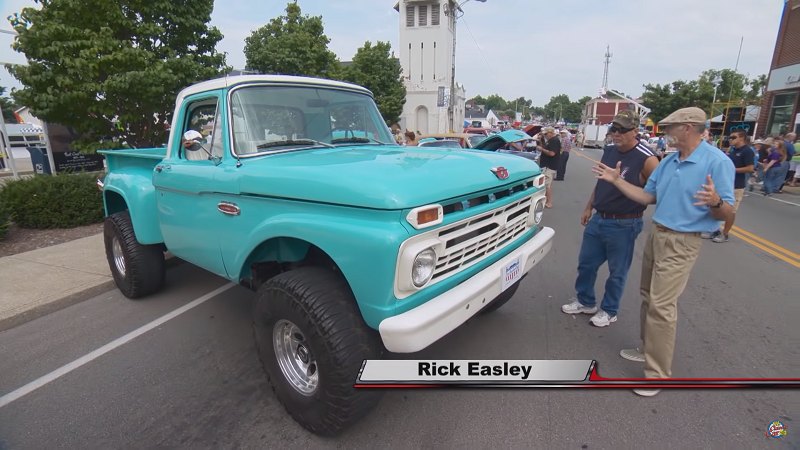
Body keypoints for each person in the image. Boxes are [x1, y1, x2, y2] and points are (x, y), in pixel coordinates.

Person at [592, 107, 735, 397]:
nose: (664, 132)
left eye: (670, 127)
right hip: (658, 233)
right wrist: (617, 180)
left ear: (688, 128)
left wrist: (716, 201)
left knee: (661, 305)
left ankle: (656, 375)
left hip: (684, 241)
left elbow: (728, 213)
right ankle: (647, 349)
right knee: (647, 296)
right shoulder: (670, 161)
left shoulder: (717, 162)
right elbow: (647, 196)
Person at [562, 111, 659, 327]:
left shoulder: (648, 159)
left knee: (617, 272)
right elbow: (602, 182)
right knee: (586, 264)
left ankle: (609, 310)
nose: (615, 134)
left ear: (635, 131)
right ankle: (586, 302)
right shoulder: (610, 151)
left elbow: (657, 194)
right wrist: (589, 206)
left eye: (621, 130)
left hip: (625, 222)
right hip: (599, 217)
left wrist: (619, 183)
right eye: (612, 129)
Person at [705, 130, 754, 243]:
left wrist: (732, 169)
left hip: (737, 185)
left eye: (733, 137)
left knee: (730, 211)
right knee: (717, 206)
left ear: (741, 138)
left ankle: (725, 233)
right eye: (730, 137)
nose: (730, 139)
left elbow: (750, 168)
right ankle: (714, 230)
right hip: (725, 183)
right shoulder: (733, 150)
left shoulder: (747, 151)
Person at [535, 126, 561, 208]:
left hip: (549, 166)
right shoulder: (550, 140)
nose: (545, 135)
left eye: (546, 134)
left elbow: (552, 153)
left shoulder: (554, 141)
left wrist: (541, 149)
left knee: (547, 185)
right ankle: (546, 200)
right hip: (547, 165)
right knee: (546, 184)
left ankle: (549, 202)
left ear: (550, 133)